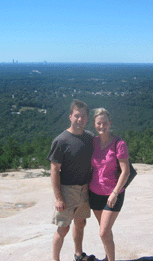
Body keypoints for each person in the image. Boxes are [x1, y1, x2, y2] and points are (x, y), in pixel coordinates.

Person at [47, 99, 96, 261]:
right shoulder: (61, 141)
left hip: (85, 189)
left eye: (83, 116)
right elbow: (54, 170)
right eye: (77, 116)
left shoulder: (89, 138)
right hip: (67, 190)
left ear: (87, 118)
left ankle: (78, 254)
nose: (80, 119)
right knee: (63, 228)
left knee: (80, 223)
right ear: (70, 116)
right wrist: (58, 198)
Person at [89, 108, 130, 261]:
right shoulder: (93, 142)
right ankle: (108, 257)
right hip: (95, 192)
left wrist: (114, 193)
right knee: (105, 231)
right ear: (94, 124)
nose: (102, 126)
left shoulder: (119, 144)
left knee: (103, 232)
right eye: (99, 123)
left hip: (113, 194)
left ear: (110, 123)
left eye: (105, 123)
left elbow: (125, 172)